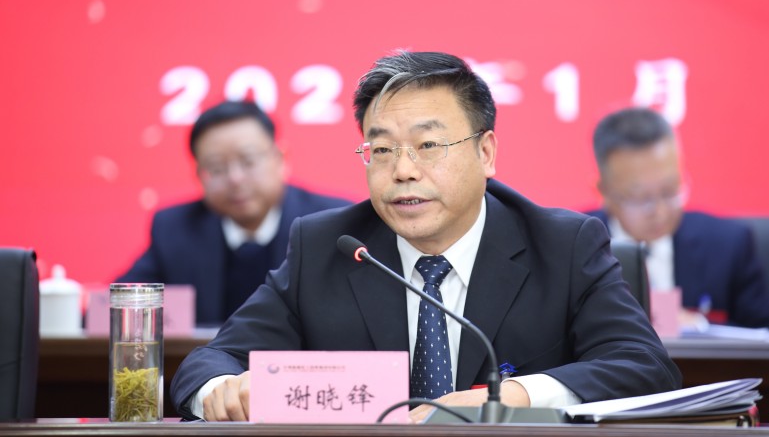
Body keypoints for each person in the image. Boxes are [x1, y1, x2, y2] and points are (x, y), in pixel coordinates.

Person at [170, 51, 681, 422]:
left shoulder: (563, 245)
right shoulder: (329, 247)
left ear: (485, 153)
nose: (403, 171)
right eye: (382, 150)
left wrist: (511, 398)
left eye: (428, 145)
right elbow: (209, 364)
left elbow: (646, 367)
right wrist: (223, 390)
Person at [117, 100, 351, 326]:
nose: (235, 178)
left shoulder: (332, 224)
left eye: (248, 161)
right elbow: (118, 308)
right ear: (199, 175)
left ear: (281, 159)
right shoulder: (176, 229)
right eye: (216, 168)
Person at [588, 106, 769, 331]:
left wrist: (699, 326)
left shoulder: (728, 244)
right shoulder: (574, 248)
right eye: (641, 198)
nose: (660, 211)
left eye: (670, 191)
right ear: (603, 192)